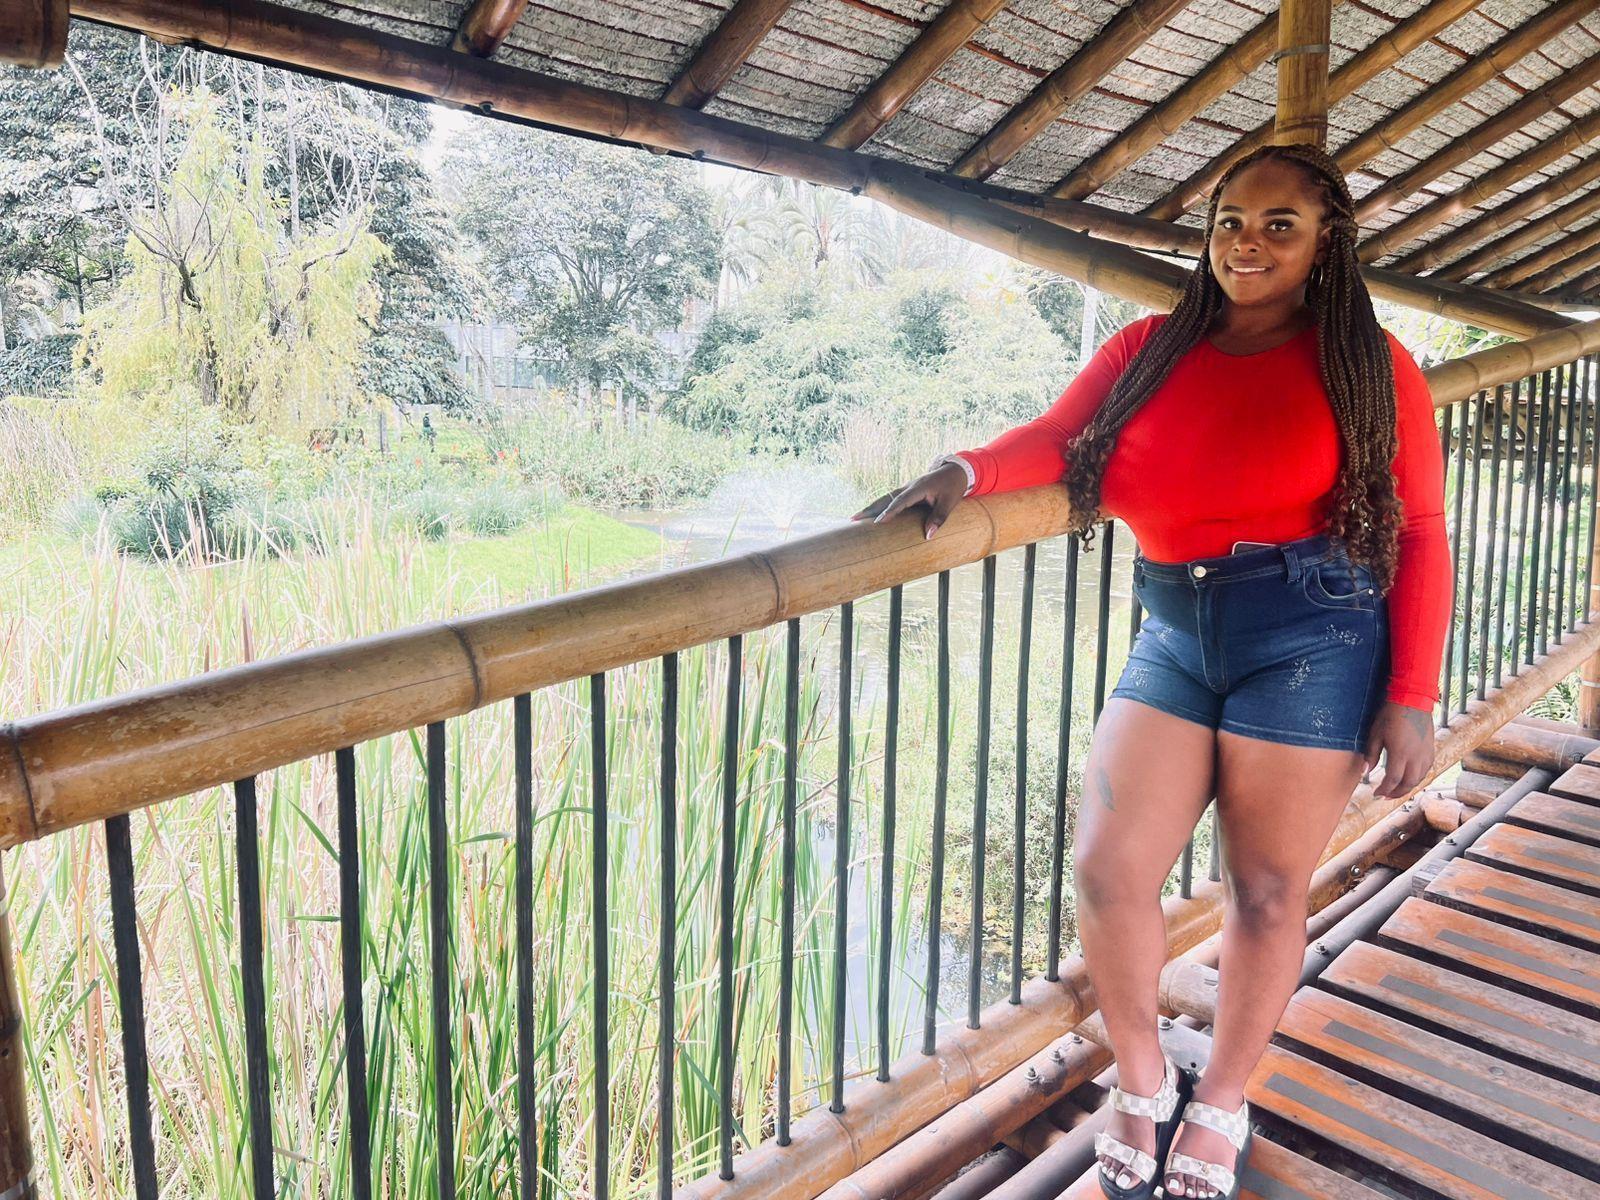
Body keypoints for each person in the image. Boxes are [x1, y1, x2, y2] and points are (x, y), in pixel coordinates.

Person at [849, 142, 1449, 1200]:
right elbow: (1060, 437)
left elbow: (1422, 531)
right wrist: (963, 469)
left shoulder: (1369, 363)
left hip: (1311, 633)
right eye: (1229, 222)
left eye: (1278, 225)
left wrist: (1410, 697)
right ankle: (1141, 1078)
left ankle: (1221, 1099)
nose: (1246, 244)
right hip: (1174, 629)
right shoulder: (1147, 348)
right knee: (1108, 869)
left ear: (1326, 243)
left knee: (1265, 890)